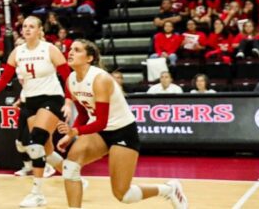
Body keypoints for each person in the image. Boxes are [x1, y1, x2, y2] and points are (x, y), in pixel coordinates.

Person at [57, 39, 187, 209]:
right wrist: (69, 135)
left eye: (77, 50)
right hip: (99, 132)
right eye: (71, 49)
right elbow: (83, 114)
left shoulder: (100, 79)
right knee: (70, 166)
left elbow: (102, 122)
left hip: (122, 131)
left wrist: (75, 132)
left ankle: (168, 189)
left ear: (89, 58)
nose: (71, 52)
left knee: (123, 195)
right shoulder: (71, 80)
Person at [0, 15, 73, 208]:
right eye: (24, 26)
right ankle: (74, 177)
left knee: (35, 142)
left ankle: (37, 193)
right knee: (46, 150)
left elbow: (68, 77)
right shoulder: (18, 52)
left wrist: (68, 100)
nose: (27, 29)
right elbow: (6, 76)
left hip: (51, 98)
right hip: (30, 101)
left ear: (40, 30)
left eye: (31, 26)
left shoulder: (50, 49)